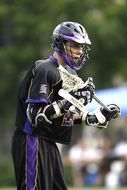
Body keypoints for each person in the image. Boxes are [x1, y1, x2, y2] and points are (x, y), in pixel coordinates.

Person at [11, 21, 120, 190]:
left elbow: (61, 116)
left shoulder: (69, 73)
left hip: (50, 143)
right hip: (32, 140)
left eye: (82, 47)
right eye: (74, 45)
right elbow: (36, 116)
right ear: (60, 44)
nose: (79, 52)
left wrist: (91, 117)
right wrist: (69, 100)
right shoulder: (44, 69)